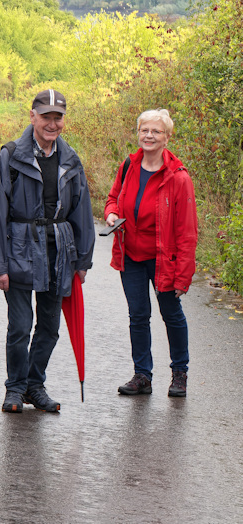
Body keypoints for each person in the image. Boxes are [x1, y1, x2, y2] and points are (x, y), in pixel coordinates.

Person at [0, 89, 95, 413]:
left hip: (59, 254)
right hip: (18, 252)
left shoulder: (71, 160)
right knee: (20, 325)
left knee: (50, 327)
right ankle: (14, 388)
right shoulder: (10, 156)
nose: (51, 123)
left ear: (63, 120)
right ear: (32, 117)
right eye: (45, 116)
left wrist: (83, 260)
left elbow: (82, 211)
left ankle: (35, 384)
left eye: (57, 117)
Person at [105, 109, 197, 398]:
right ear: (138, 133)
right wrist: (111, 215)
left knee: (171, 314)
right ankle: (142, 375)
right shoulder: (128, 166)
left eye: (156, 131)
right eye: (145, 130)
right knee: (138, 315)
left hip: (163, 260)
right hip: (130, 255)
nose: (149, 135)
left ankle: (179, 373)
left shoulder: (178, 178)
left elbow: (187, 231)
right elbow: (112, 199)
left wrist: (183, 275)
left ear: (167, 137)